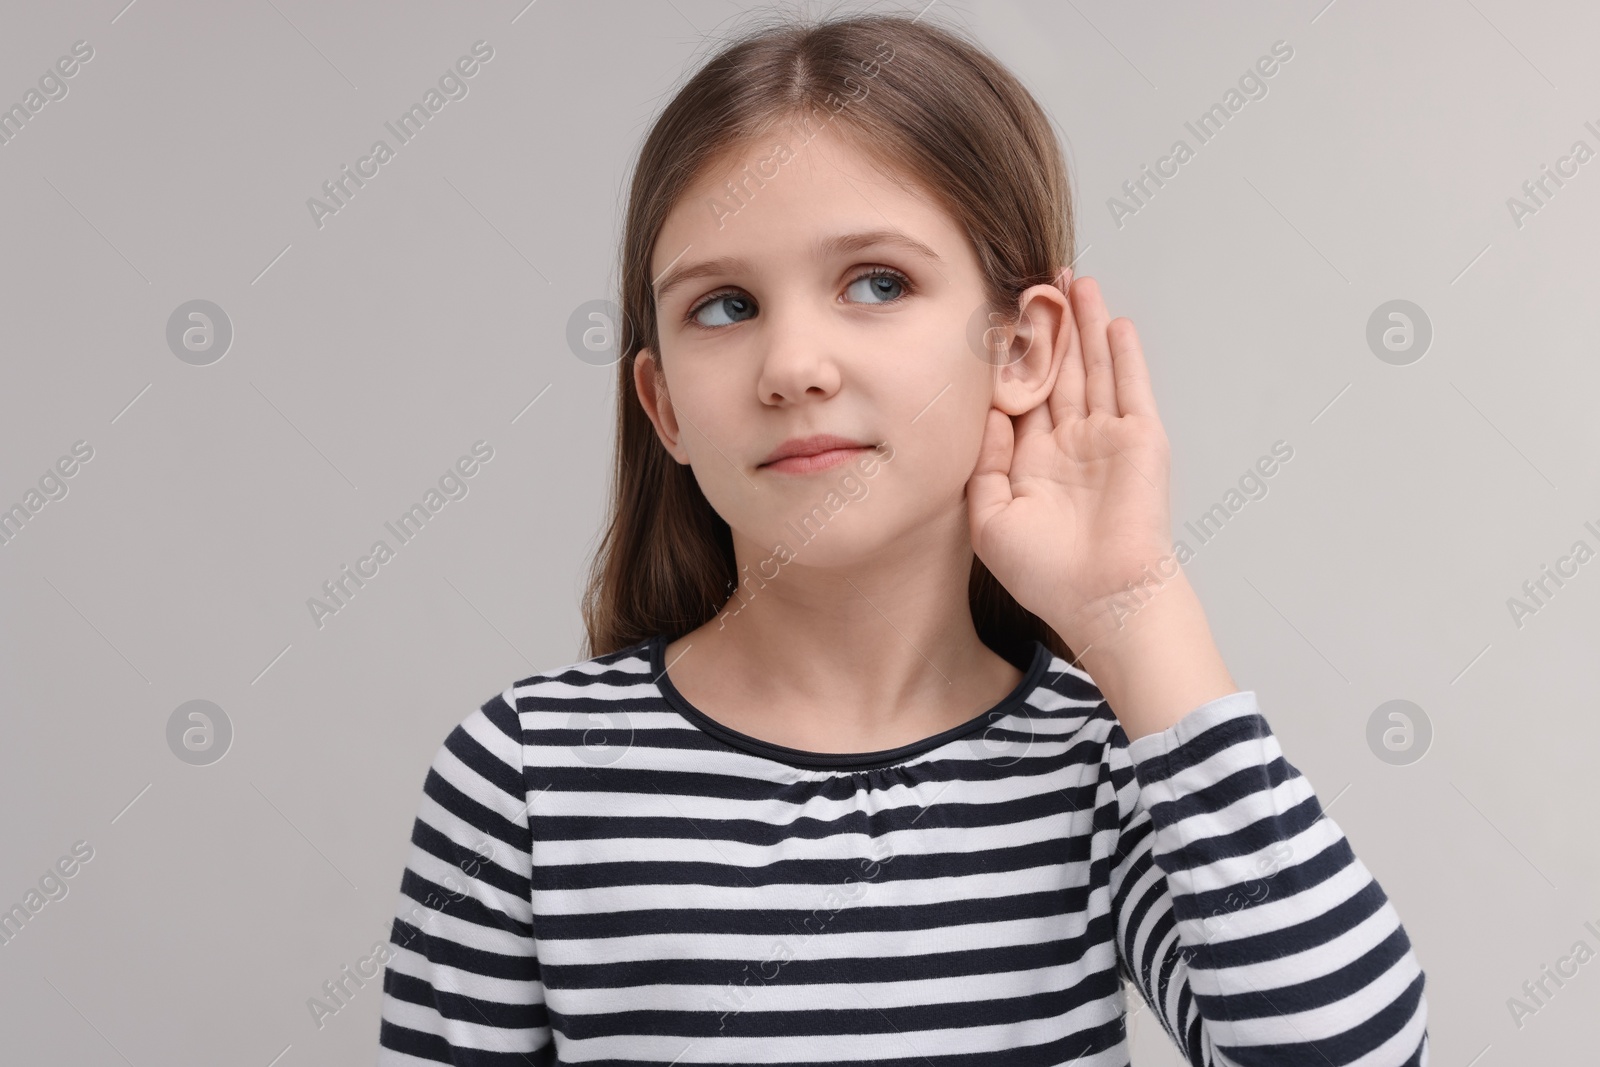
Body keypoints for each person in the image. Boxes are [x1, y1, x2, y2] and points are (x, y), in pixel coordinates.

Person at [377, 11, 1428, 1064]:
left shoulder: (1096, 768)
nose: (792, 363)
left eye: (877, 283)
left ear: (1019, 348)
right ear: (664, 409)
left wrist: (1134, 608)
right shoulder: (526, 775)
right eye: (724, 304)